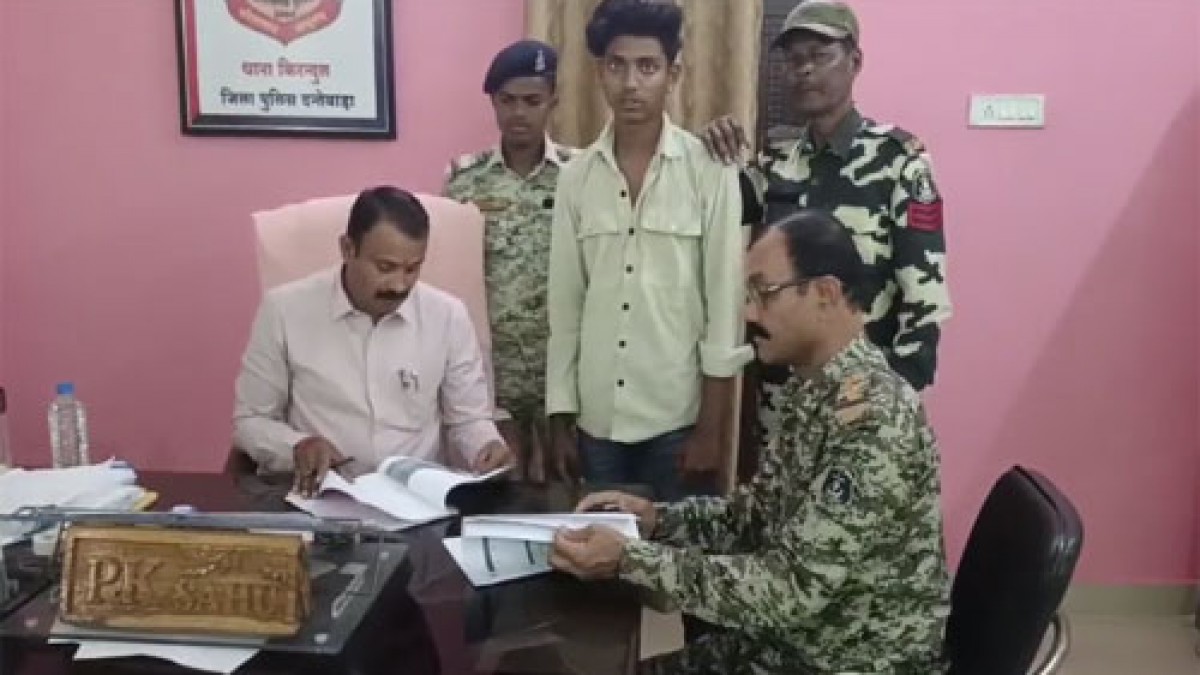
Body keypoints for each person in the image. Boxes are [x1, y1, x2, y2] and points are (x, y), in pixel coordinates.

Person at [549, 209, 951, 674]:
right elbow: (752, 518)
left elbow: (790, 590)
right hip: (792, 646)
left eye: (764, 293)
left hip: (850, 661)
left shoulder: (873, 419)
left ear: (825, 293)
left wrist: (629, 559)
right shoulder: (815, 390)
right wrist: (657, 520)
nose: (749, 313)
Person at [701, 0, 952, 454]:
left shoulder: (898, 162)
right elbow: (716, 224)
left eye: (819, 56)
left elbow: (924, 299)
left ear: (855, 61)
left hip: (864, 402)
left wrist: (895, 399)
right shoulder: (775, 161)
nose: (804, 70)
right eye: (794, 59)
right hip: (783, 403)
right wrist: (712, 152)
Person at [545, 0, 746, 501]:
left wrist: (712, 429)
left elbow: (724, 307)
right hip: (597, 422)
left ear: (673, 75)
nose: (631, 83)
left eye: (647, 67)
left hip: (676, 420)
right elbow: (565, 307)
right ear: (600, 72)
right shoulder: (575, 178)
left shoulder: (709, 169)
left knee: (675, 547)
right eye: (617, 66)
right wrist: (561, 416)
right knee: (598, 544)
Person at [233, 186, 513, 496]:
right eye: (385, 267)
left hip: (416, 502)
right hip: (322, 496)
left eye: (412, 269)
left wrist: (486, 446)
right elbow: (251, 421)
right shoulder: (285, 311)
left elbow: (468, 420)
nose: (399, 285)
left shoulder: (448, 316)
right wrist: (297, 446)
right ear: (347, 248)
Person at [443, 39, 577, 483]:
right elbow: (452, 278)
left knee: (565, 490)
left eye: (532, 101)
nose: (519, 113)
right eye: (508, 100)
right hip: (491, 373)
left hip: (562, 371)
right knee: (497, 489)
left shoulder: (580, 175)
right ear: (493, 102)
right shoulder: (463, 180)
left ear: (553, 100)